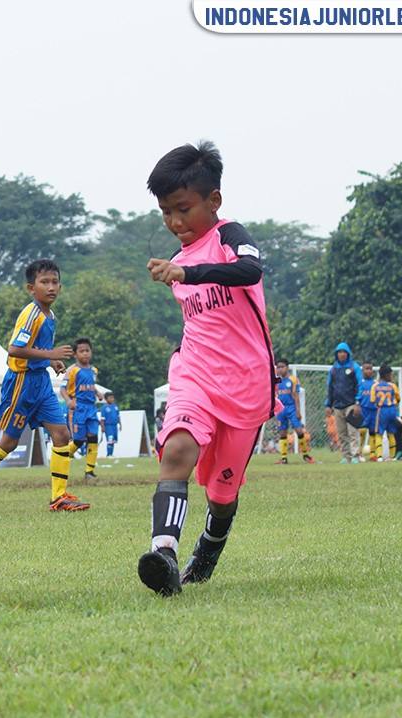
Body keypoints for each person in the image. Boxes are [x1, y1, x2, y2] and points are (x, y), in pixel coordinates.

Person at [136, 141, 278, 596]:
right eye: (166, 213)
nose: (175, 223)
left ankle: (210, 547)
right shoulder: (176, 262)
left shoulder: (230, 236)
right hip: (194, 376)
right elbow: (201, 325)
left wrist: (188, 275)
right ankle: (164, 556)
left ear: (213, 200)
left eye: (183, 209)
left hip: (246, 387)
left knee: (222, 494)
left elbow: (249, 272)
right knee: (176, 450)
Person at [0, 259, 87, 513]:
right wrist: (51, 353)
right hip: (21, 384)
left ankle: (58, 497)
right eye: (44, 282)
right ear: (31, 288)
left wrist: (50, 362)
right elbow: (15, 349)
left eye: (55, 282)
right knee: (8, 443)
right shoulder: (31, 315)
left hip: (40, 383)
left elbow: (33, 350)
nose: (51, 287)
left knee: (61, 435)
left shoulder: (50, 315)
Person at [65, 337, 104, 479]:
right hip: (78, 408)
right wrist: (68, 401)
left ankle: (89, 471)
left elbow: (90, 386)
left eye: (87, 351)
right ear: (75, 354)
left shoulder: (94, 370)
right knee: (78, 440)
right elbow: (63, 389)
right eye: (81, 351)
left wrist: (97, 392)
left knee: (93, 437)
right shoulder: (72, 370)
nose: (85, 354)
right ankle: (61, 458)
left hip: (91, 408)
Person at [325, 343, 362, 464]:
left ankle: (355, 455)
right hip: (337, 405)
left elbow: (359, 385)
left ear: (348, 353)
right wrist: (328, 404)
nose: (341, 354)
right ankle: (346, 456)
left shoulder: (354, 367)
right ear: (336, 354)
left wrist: (357, 402)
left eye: (344, 352)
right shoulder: (333, 370)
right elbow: (330, 388)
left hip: (351, 404)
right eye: (339, 352)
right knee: (341, 432)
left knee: (353, 431)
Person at [273, 359, 315, 464]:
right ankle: (284, 458)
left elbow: (296, 397)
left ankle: (305, 455)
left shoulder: (293, 380)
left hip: (291, 408)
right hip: (280, 408)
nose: (280, 369)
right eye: (279, 367)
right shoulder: (276, 381)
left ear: (287, 368)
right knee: (283, 432)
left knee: (299, 430)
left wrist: (298, 410)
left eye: (283, 367)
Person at [370, 364, 402, 461]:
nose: (391, 377)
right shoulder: (393, 386)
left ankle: (379, 456)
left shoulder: (375, 386)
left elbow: (372, 400)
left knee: (379, 433)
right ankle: (392, 456)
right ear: (386, 375)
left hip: (382, 410)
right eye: (390, 375)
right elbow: (398, 398)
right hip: (392, 410)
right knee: (391, 433)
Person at [357, 361, 377, 460]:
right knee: (362, 431)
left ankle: (373, 454)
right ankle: (359, 453)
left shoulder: (376, 383)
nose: (369, 371)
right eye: (367, 369)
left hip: (374, 410)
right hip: (363, 409)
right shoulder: (360, 382)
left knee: (373, 431)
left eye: (370, 368)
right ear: (362, 370)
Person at [100, 392, 122, 458]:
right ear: (106, 399)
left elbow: (118, 416)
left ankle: (111, 454)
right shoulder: (104, 408)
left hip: (114, 425)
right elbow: (102, 419)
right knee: (110, 439)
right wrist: (102, 427)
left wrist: (120, 424)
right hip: (108, 426)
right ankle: (109, 454)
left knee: (113, 441)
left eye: (112, 398)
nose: (112, 399)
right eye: (110, 398)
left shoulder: (115, 406)